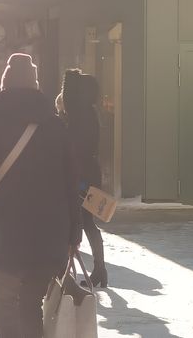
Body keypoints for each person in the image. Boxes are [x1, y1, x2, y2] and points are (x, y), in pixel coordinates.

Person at [0, 53, 80, 338]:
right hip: (49, 232)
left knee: (1, 305)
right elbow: (71, 180)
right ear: (35, 85)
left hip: (4, 233)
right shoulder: (55, 125)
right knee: (32, 306)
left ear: (5, 84)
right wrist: (74, 232)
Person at [61, 68, 108, 287]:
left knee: (74, 220)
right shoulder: (91, 114)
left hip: (79, 175)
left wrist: (69, 77)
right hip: (92, 172)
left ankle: (69, 271)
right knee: (89, 221)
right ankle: (100, 269)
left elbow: (68, 96)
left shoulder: (78, 116)